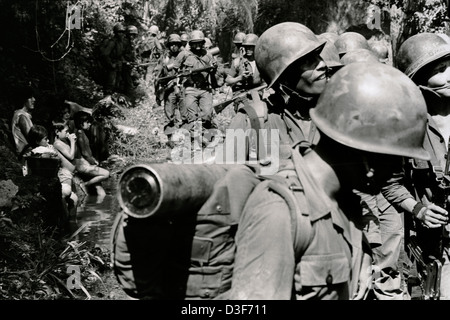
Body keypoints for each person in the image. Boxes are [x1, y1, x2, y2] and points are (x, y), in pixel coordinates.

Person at [225, 61, 431, 300]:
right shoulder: (280, 210)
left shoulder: (347, 206)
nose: (395, 173)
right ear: (367, 156)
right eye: (394, 161)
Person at [395, 32, 450, 299]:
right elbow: (390, 182)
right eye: (441, 70)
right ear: (418, 79)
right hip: (435, 243)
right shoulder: (405, 124)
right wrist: (418, 209)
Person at [22, 125, 78, 225]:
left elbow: (26, 173)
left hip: (38, 187)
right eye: (45, 139)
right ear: (37, 141)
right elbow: (67, 166)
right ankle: (68, 225)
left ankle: (67, 224)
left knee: (73, 198)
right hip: (50, 188)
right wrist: (54, 152)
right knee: (71, 196)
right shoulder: (47, 152)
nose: (47, 141)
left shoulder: (28, 152)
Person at [172, 29, 218, 144]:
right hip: (190, 89)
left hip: (204, 89)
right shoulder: (184, 55)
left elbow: (214, 72)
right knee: (192, 117)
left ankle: (206, 136)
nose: (197, 46)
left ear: (203, 43)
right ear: (191, 44)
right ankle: (197, 140)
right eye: (195, 43)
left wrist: (214, 69)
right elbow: (175, 69)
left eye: (199, 43)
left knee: (207, 115)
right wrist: (178, 82)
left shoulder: (208, 55)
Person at [73, 111, 110, 196]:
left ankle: (100, 203)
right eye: (87, 122)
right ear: (81, 122)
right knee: (106, 174)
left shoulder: (81, 132)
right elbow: (84, 152)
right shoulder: (79, 133)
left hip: (85, 163)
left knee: (99, 187)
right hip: (83, 165)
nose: (89, 124)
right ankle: (84, 185)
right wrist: (93, 161)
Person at [225, 33, 265, 112]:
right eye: (246, 47)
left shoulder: (261, 61)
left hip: (257, 93)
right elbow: (227, 81)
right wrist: (240, 78)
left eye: (251, 47)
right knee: (244, 113)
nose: (248, 49)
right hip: (241, 95)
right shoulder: (237, 62)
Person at [100, 23, 126, 95]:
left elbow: (120, 54)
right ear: (116, 33)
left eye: (122, 32)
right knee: (110, 85)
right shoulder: (112, 42)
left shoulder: (120, 43)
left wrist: (124, 61)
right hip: (112, 65)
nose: (121, 34)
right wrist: (111, 64)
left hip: (118, 65)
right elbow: (105, 54)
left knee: (117, 84)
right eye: (119, 32)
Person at [11, 85, 35, 156]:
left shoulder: (19, 113)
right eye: (30, 97)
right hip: (25, 155)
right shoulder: (21, 116)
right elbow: (33, 138)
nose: (34, 100)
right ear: (24, 99)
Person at [122, 25, 139, 99]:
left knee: (136, 80)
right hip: (122, 65)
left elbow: (133, 54)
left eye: (133, 35)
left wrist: (135, 62)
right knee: (128, 83)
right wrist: (125, 61)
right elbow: (120, 54)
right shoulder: (123, 42)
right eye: (130, 34)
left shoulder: (131, 43)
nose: (132, 36)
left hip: (129, 65)